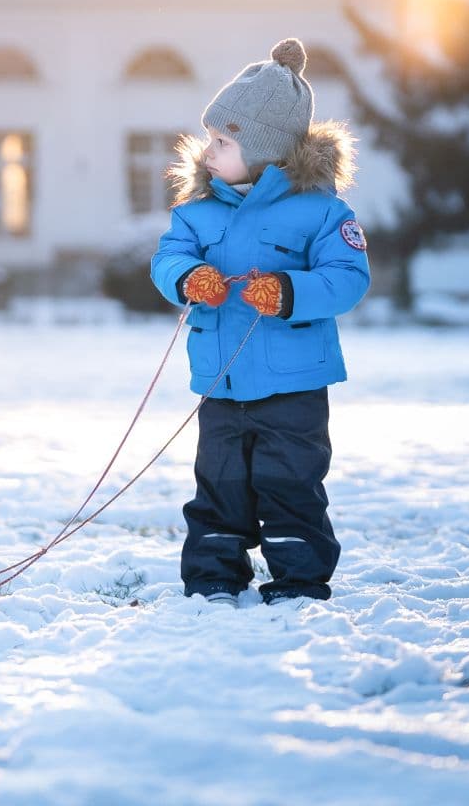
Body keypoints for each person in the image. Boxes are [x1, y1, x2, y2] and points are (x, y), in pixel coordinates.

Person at [149, 38, 370, 606]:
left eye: (223, 142)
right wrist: (188, 277)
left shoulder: (321, 210)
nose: (208, 152)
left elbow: (348, 276)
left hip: (292, 385)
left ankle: (298, 579)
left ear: (267, 150)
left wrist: (290, 290)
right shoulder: (197, 211)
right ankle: (214, 575)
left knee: (289, 482)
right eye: (210, 139)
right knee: (218, 485)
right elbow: (167, 257)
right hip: (221, 381)